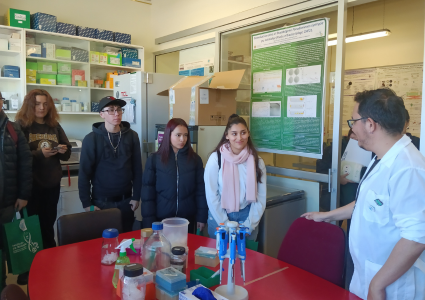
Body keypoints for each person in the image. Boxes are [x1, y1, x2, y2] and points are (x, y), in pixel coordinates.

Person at [302, 89, 425, 300]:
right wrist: (326, 216)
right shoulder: (380, 159)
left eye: (353, 121)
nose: (352, 128)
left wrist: (378, 284)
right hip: (367, 276)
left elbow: (416, 237)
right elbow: (365, 203)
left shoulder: (408, 167)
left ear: (370, 124)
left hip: (391, 286)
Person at [15, 89, 71, 284]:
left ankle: (49, 263)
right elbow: (17, 156)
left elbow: (66, 153)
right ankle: (28, 269)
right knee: (29, 228)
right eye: (38, 104)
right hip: (30, 187)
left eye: (45, 104)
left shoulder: (54, 126)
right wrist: (39, 154)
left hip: (51, 184)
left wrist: (63, 149)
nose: (42, 108)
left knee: (48, 225)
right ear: (30, 105)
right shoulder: (21, 126)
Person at [79, 96, 142, 232]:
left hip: (126, 201)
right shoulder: (91, 139)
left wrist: (136, 196)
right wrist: (86, 203)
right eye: (111, 110)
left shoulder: (132, 136)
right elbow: (84, 174)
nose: (116, 113)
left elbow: (137, 169)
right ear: (102, 114)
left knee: (127, 242)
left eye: (119, 109)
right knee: (104, 244)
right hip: (101, 202)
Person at [204, 114, 267, 240]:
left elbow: (261, 197)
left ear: (248, 134)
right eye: (234, 133)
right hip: (219, 216)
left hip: (247, 217)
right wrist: (225, 223)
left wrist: (250, 224)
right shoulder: (216, 158)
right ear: (227, 135)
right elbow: (211, 194)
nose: (239, 137)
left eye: (243, 133)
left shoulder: (257, 161)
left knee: (246, 258)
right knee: (220, 258)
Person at [141, 118, 207, 233]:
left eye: (185, 135)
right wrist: (149, 222)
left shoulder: (195, 160)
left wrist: (201, 217)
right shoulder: (154, 159)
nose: (183, 139)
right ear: (168, 135)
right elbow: (148, 194)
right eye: (178, 135)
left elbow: (201, 191)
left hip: (187, 220)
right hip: (161, 220)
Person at [0, 93, 32, 288]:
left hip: (7, 202)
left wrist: (23, 195)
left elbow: (25, 163)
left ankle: (3, 288)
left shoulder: (13, 129)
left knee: (4, 248)